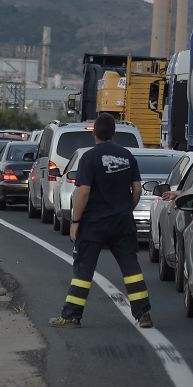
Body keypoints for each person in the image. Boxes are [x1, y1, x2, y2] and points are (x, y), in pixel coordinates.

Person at [49, 113, 153, 329]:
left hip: (94, 223)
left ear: (94, 133)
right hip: (122, 221)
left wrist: (75, 221)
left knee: (84, 270)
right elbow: (136, 189)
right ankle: (143, 315)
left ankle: (71, 316)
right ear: (113, 133)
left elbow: (83, 192)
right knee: (131, 269)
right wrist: (126, 208)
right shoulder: (127, 156)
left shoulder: (89, 158)